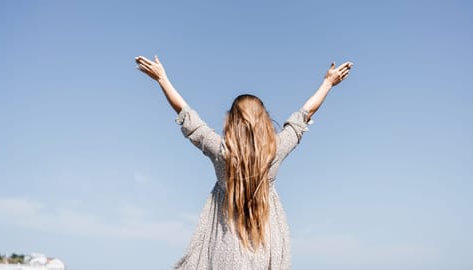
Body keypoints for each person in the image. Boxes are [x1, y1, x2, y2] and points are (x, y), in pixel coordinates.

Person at [135, 55, 353, 270]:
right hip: (266, 251)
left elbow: (188, 117)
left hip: (223, 253)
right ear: (264, 121)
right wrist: (328, 83)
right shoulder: (274, 152)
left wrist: (162, 79)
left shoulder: (222, 153)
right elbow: (303, 116)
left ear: (232, 122)